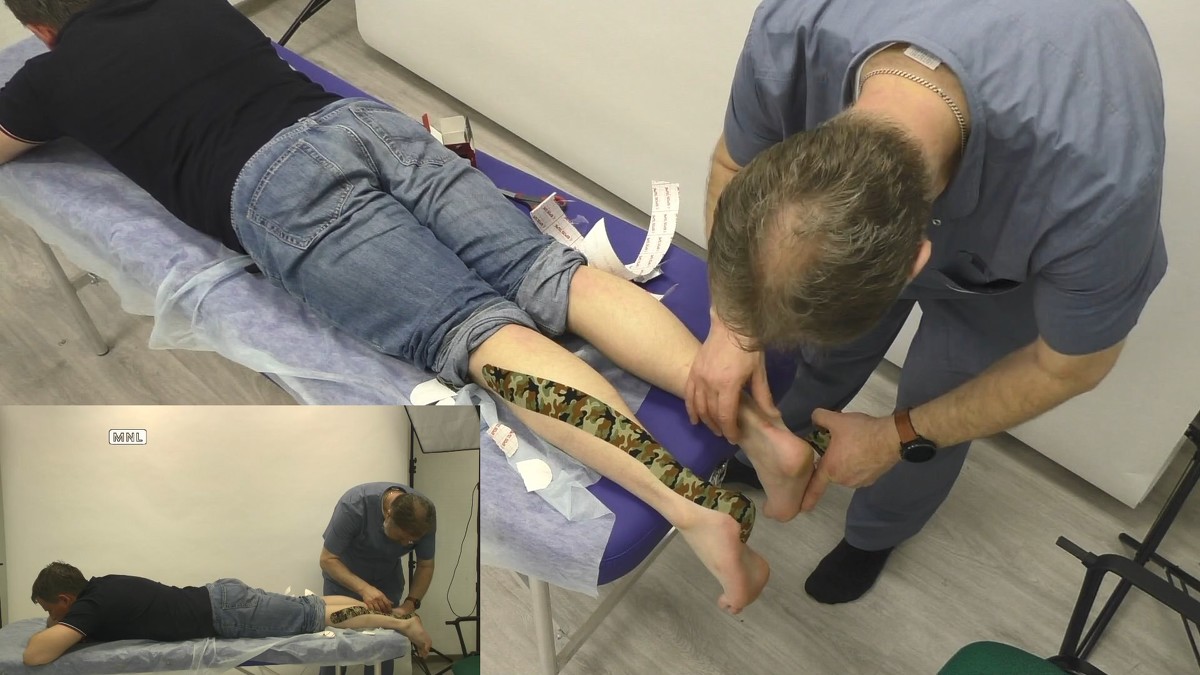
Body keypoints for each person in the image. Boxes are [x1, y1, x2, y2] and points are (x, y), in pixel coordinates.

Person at [0, 0, 809, 613]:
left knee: (476, 331)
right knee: (546, 271)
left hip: (278, 190)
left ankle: (693, 509)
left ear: (40, 29)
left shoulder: (51, 78)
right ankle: (763, 434)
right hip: (358, 124)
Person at [686, 0, 1166, 604]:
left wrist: (897, 437)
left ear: (917, 259)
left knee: (937, 403)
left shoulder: (1099, 183)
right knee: (819, 355)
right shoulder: (795, 27)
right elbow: (733, 160)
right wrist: (732, 326)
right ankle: (781, 446)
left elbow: (1071, 366)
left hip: (1003, 275)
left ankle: (874, 534)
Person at [22, 561, 432, 666]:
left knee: (315, 618)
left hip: (228, 614)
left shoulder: (91, 606)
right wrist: (58, 619)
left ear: (65, 599)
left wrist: (56, 624)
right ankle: (397, 615)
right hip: (223, 599)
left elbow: (35, 655)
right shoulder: (102, 585)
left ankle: (402, 622)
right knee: (310, 609)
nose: (49, 617)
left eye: (49, 609)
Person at [320, 483, 435, 675]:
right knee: (335, 648)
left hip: (386, 582)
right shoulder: (354, 506)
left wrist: (409, 606)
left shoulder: (425, 516)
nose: (405, 544)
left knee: (381, 649)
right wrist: (364, 589)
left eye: (411, 542)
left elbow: (425, 565)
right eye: (401, 538)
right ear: (388, 515)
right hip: (344, 580)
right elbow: (327, 559)